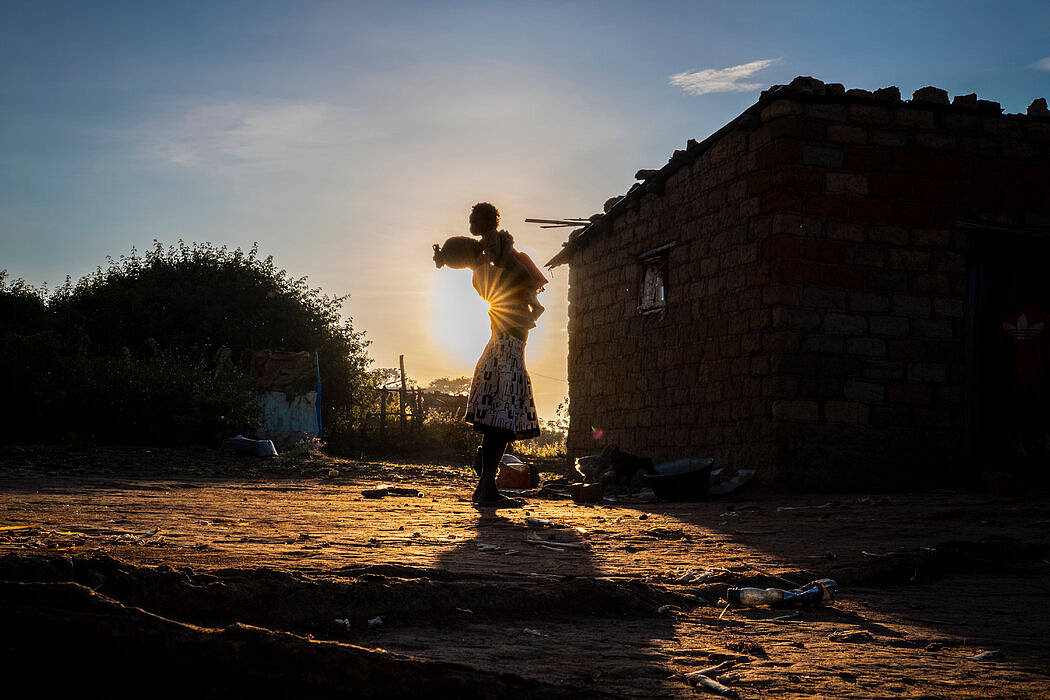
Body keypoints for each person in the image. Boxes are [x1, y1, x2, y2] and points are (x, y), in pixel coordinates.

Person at [435, 202, 543, 507]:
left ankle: (486, 488)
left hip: (505, 343)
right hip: (505, 344)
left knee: (501, 418)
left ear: (487, 220)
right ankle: (487, 489)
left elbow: (520, 277)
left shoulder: (496, 253)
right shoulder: (487, 257)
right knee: (501, 419)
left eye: (474, 217)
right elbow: (519, 279)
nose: (470, 221)